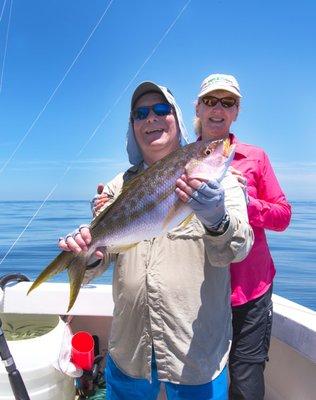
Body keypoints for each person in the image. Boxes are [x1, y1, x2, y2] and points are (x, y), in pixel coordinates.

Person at [59, 81, 254, 400]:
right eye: (141, 113)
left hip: (195, 355)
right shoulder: (115, 187)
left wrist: (216, 217)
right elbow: (107, 254)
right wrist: (89, 255)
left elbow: (238, 249)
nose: (151, 118)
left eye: (161, 110)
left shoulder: (224, 184)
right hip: (129, 352)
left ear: (177, 119)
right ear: (132, 126)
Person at [192, 73, 292, 400]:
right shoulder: (179, 161)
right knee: (201, 379)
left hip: (251, 289)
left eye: (227, 102)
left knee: (246, 382)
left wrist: (244, 201)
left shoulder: (256, 157)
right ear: (198, 108)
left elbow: (283, 216)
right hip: (201, 292)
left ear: (237, 111)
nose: (217, 108)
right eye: (210, 101)